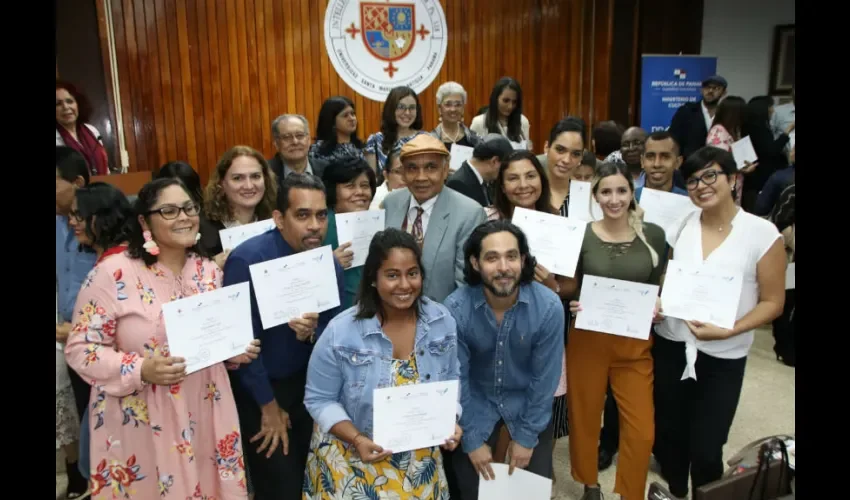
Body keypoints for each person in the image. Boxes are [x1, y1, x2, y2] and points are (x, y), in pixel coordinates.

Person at [65, 177, 260, 500]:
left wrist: (234, 351)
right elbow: (80, 349)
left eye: (188, 208)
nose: (183, 217)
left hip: (206, 409)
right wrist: (140, 368)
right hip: (141, 417)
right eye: (168, 211)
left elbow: (213, 337)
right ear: (144, 220)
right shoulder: (112, 273)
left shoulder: (207, 271)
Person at [653, 146, 786, 499]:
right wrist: (659, 301)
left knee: (708, 446)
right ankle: (677, 491)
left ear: (732, 179)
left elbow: (774, 302)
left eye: (710, 175)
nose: (700, 185)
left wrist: (731, 329)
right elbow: (668, 275)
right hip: (671, 344)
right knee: (670, 434)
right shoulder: (681, 224)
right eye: (693, 179)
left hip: (724, 355)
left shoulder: (761, 233)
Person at [302, 228, 462, 499]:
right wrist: (357, 439)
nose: (404, 285)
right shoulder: (341, 331)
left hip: (418, 466)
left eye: (412, 273)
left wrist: (450, 420)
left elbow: (451, 378)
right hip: (350, 464)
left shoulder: (441, 321)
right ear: (373, 279)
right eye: (392, 275)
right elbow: (319, 399)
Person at [223, 173, 344, 500]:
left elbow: (338, 328)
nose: (315, 225)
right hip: (262, 390)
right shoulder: (247, 259)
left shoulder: (326, 261)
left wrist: (313, 332)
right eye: (302, 215)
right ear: (278, 218)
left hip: (311, 389)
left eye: (321, 215)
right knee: (280, 487)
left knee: (314, 480)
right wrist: (268, 405)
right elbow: (240, 342)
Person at [564, 161, 668, 500]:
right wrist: (575, 303)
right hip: (588, 340)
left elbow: (657, 285)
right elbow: (570, 286)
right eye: (605, 191)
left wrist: (657, 304)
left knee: (641, 431)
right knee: (585, 417)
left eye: (621, 190)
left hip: (634, 345)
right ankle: (589, 483)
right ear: (594, 195)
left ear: (631, 191)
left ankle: (631, 492)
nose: (614, 199)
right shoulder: (581, 235)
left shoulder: (653, 235)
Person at [446, 220, 565, 500]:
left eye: (511, 256)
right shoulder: (455, 308)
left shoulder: (548, 307)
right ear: (475, 263)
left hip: (529, 410)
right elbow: (456, 378)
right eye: (492, 258)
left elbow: (544, 382)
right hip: (473, 410)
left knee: (527, 494)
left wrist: (525, 438)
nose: (503, 267)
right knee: (472, 492)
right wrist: (472, 440)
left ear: (523, 260)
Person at [597, 131, 687, 472]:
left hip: (669, 302)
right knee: (615, 381)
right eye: (651, 156)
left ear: (678, 161)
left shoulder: (690, 201)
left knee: (661, 383)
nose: (657, 163)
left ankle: (660, 447)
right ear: (642, 160)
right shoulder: (623, 193)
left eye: (665, 157)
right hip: (624, 304)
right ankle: (609, 441)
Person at [383, 134, 487, 302]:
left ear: (446, 170)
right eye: (412, 168)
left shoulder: (469, 214)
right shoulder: (390, 203)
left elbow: (467, 288)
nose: (421, 177)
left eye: (431, 167)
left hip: (443, 319)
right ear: (402, 172)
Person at [56, 146, 97, 499]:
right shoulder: (56, 224)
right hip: (68, 338)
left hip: (104, 345)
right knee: (81, 415)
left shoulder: (102, 225)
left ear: (78, 183)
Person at [203, 146, 279, 268]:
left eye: (255, 176)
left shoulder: (276, 224)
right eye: (237, 178)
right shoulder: (203, 232)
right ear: (221, 184)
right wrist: (212, 266)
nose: (248, 186)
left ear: (266, 180)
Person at [321, 156, 378, 308]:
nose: (360, 192)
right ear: (333, 190)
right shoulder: (319, 226)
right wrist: (329, 263)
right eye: (350, 186)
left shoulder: (379, 223)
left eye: (365, 186)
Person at [365, 86, 426, 180]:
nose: (407, 112)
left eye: (412, 108)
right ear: (391, 109)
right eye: (401, 107)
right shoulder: (375, 140)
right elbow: (371, 181)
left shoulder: (426, 139)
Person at [56, 80, 110, 175]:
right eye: (58, 104)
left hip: (101, 186)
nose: (65, 107)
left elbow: (105, 166)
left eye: (70, 101)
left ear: (78, 104)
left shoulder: (91, 130)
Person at [668, 75, 728, 159]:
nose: (710, 91)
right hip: (690, 164)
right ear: (701, 90)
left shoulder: (727, 113)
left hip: (719, 163)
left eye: (716, 88)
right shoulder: (686, 111)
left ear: (724, 92)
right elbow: (673, 138)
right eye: (707, 87)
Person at [446, 134, 513, 207]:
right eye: (505, 165)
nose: (506, 170)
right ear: (494, 161)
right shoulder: (458, 184)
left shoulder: (486, 179)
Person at [470, 77, 532, 150]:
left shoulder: (523, 121)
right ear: (495, 98)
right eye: (506, 101)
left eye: (514, 102)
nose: (510, 106)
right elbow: (473, 155)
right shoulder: (479, 122)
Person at [269, 115, 330, 181]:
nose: (295, 142)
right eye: (287, 137)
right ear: (276, 144)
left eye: (300, 135)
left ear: (308, 140)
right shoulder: (265, 172)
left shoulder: (327, 170)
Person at [309, 96, 366, 164]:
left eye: (353, 114)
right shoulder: (318, 150)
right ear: (332, 121)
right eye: (345, 115)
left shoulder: (361, 147)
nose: (352, 119)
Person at [431, 81, 483, 150]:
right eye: (448, 104)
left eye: (458, 104)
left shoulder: (474, 139)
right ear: (439, 109)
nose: (453, 109)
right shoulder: (430, 139)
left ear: (463, 109)